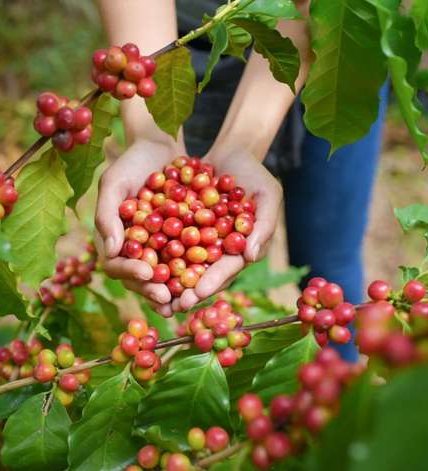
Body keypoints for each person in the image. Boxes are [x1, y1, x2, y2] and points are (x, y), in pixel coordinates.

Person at [94, 0, 388, 362]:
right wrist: (150, 133)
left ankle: (334, 393)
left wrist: (245, 142)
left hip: (339, 46)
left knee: (330, 263)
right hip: (185, 44)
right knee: (215, 293)